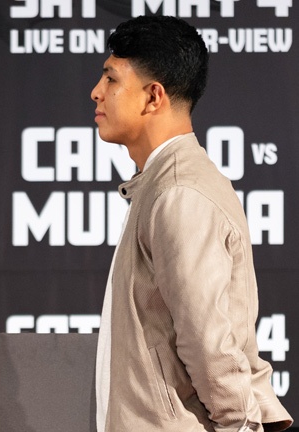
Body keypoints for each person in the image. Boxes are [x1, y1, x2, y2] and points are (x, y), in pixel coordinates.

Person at [92, 16, 292, 432]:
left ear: (153, 97)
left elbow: (208, 341)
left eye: (111, 79)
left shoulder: (179, 192)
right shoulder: (164, 183)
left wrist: (240, 425)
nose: (96, 92)